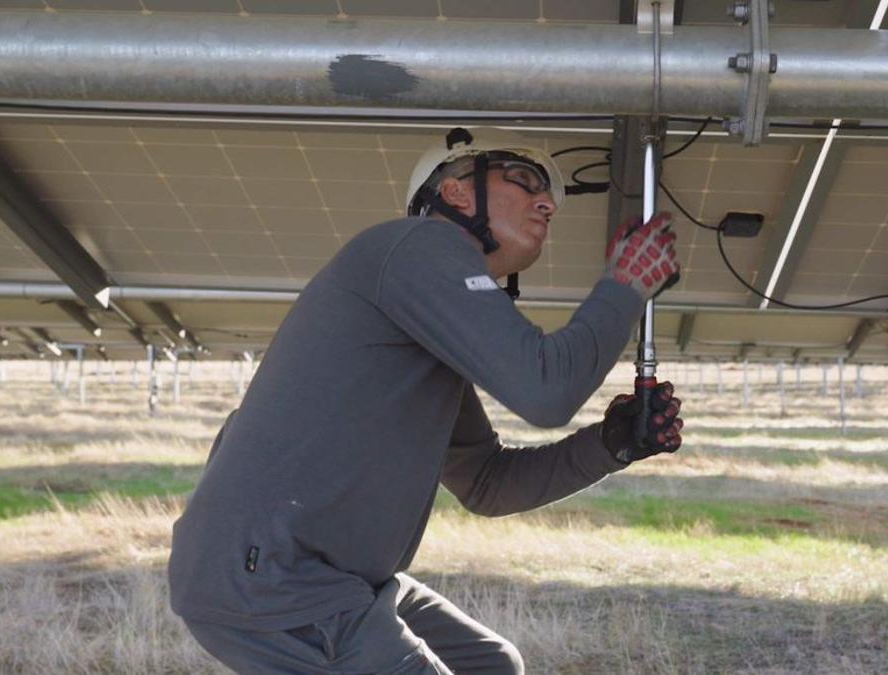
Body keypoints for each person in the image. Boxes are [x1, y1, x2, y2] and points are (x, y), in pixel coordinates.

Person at [168, 127, 685, 674]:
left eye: (548, 193)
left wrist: (610, 444)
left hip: (328, 577)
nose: (547, 202)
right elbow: (546, 391)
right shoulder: (414, 246)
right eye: (524, 180)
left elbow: (486, 483)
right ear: (457, 193)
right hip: (276, 580)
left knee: (492, 666)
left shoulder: (419, 322)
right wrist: (626, 284)